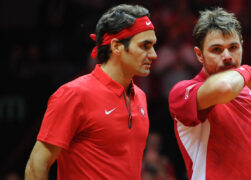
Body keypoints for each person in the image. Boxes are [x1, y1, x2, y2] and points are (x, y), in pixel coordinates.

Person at [25, 4, 157, 180]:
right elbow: (36, 165)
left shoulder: (140, 96)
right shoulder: (74, 94)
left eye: (153, 45)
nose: (154, 54)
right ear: (116, 46)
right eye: (145, 46)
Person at [168, 7, 251, 179]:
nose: (227, 56)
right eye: (216, 50)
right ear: (199, 55)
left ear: (242, 46)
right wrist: (248, 71)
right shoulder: (183, 91)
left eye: (233, 47)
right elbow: (224, 88)